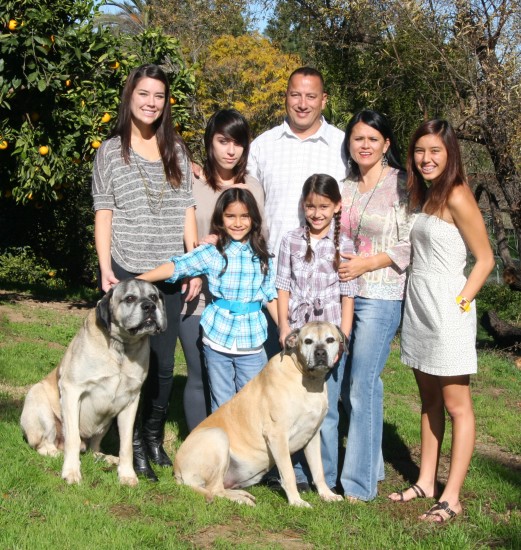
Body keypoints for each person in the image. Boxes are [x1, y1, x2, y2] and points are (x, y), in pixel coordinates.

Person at [92, 63, 199, 482]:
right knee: (127, 367)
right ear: (130, 97)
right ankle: (131, 445)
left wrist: (192, 265)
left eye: (158, 96)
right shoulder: (110, 151)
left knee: (163, 366)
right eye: (144, 94)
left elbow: (187, 208)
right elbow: (105, 212)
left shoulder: (177, 150)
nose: (151, 102)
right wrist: (105, 269)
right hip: (127, 272)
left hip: (169, 272)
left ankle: (153, 438)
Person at [388, 120, 494, 522]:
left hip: (448, 312)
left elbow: (485, 259)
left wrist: (462, 302)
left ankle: (452, 496)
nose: (426, 158)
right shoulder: (427, 194)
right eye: (419, 150)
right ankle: (426, 481)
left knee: (456, 405)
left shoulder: (458, 194)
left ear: (450, 153)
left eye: (435, 151)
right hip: (419, 309)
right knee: (428, 400)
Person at [138, 187, 278, 411]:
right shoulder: (213, 253)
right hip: (217, 340)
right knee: (222, 403)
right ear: (221, 219)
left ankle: (247, 446)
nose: (238, 223)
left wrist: (286, 328)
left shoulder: (262, 256)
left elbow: (271, 296)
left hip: (251, 344)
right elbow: (176, 266)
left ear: (253, 218)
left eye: (244, 216)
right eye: (230, 216)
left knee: (252, 404)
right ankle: (222, 445)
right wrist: (137, 280)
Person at [337, 109, 415, 502]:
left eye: (372, 139)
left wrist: (368, 262)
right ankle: (373, 465)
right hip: (345, 294)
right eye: (358, 138)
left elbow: (411, 241)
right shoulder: (344, 186)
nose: (364, 145)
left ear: (386, 144)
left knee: (361, 383)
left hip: (382, 294)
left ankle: (358, 484)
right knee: (349, 382)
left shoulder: (402, 185)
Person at [179, 109, 265, 431]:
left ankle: (238, 447)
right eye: (222, 141)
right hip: (197, 294)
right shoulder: (192, 183)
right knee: (200, 374)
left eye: (238, 143)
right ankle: (198, 448)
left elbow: (259, 243)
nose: (230, 150)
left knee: (238, 382)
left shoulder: (253, 188)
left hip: (238, 304)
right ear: (210, 143)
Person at [276, 174, 358, 491]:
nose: (316, 213)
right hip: (300, 336)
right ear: (303, 207)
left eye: (324, 206)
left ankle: (326, 475)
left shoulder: (344, 244)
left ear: (336, 207)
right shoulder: (291, 240)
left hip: (329, 335)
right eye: (310, 206)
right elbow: (283, 286)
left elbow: (348, 295)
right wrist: (284, 325)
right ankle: (295, 473)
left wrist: (343, 338)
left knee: (328, 409)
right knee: (294, 405)